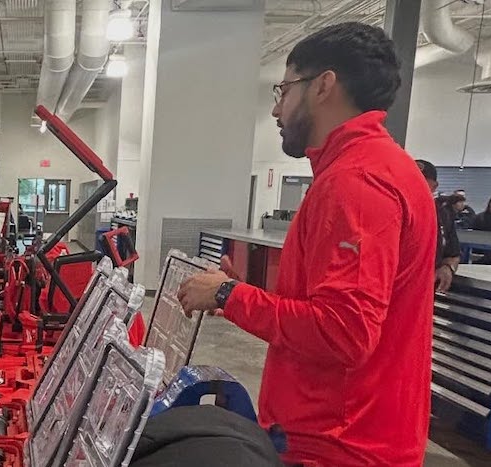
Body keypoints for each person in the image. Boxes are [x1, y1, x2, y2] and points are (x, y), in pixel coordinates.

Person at [177, 23, 435, 466]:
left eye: (284, 90)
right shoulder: (373, 167)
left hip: (340, 443)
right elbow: (339, 308)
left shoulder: (357, 182)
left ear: (324, 86)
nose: (276, 110)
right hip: (344, 432)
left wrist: (228, 294)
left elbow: (345, 333)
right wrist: (244, 293)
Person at [416, 160, 461, 293]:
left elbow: (453, 254)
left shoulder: (443, 216)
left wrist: (447, 267)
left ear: (435, 186)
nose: (415, 184)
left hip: (424, 290)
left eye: (422, 181)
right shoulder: (390, 212)